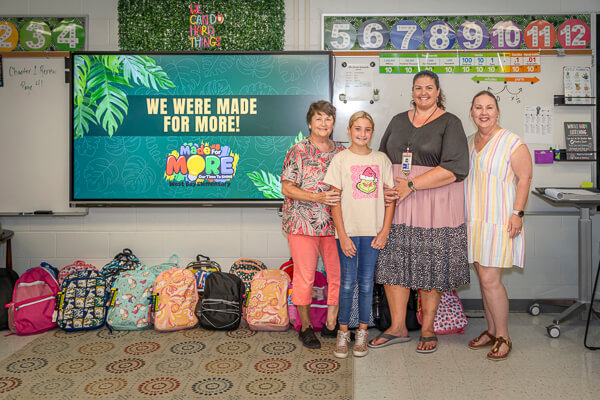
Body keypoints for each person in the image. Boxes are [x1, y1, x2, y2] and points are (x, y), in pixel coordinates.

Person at [369, 70, 470, 353]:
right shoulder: (398, 121)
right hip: (398, 202)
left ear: (438, 91)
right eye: (418, 88)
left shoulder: (450, 122)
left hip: (434, 202)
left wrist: (411, 184)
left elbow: (455, 168)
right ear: (412, 91)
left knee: (430, 266)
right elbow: (381, 158)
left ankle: (427, 328)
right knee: (393, 264)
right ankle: (398, 326)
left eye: (428, 87)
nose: (423, 92)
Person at [466, 91, 532, 361]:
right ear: (472, 112)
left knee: (491, 279)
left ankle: (504, 336)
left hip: (499, 220)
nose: (484, 112)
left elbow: (525, 178)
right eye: (479, 107)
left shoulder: (512, 142)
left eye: (489, 107)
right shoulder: (470, 142)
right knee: (483, 279)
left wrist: (518, 213)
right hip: (474, 220)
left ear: (497, 111)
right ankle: (491, 330)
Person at [323, 111, 395, 359]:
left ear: (372, 132)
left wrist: (384, 231)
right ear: (349, 131)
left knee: (366, 284)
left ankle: (362, 332)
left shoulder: (381, 160)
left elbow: (389, 200)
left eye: (367, 129)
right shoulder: (340, 160)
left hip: (372, 234)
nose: (362, 134)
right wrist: (342, 235)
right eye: (357, 129)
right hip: (348, 234)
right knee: (346, 283)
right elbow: (333, 201)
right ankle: (344, 332)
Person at [281, 100, 344, 349]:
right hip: (302, 223)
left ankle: (331, 325)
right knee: (305, 277)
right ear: (310, 122)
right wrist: (317, 197)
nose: (323, 123)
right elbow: (286, 187)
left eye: (328, 118)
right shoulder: (298, 150)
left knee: (337, 275)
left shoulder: (341, 152)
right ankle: (305, 327)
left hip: (335, 225)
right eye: (318, 118)